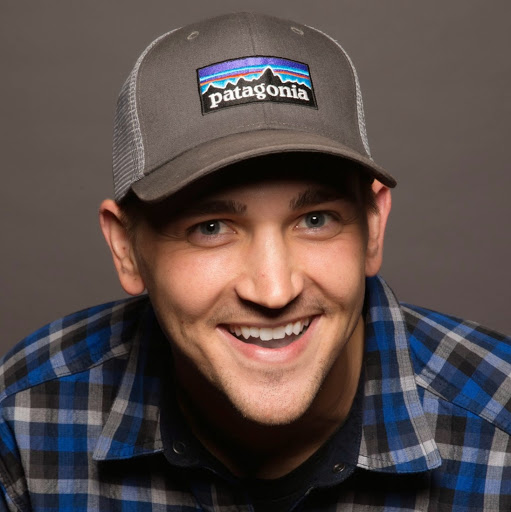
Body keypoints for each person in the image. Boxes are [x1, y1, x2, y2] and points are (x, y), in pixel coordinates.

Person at [0, 11, 509, 512]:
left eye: (315, 220)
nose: (274, 291)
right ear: (126, 248)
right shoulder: (26, 418)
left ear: (373, 227)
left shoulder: (500, 429)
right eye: (210, 228)